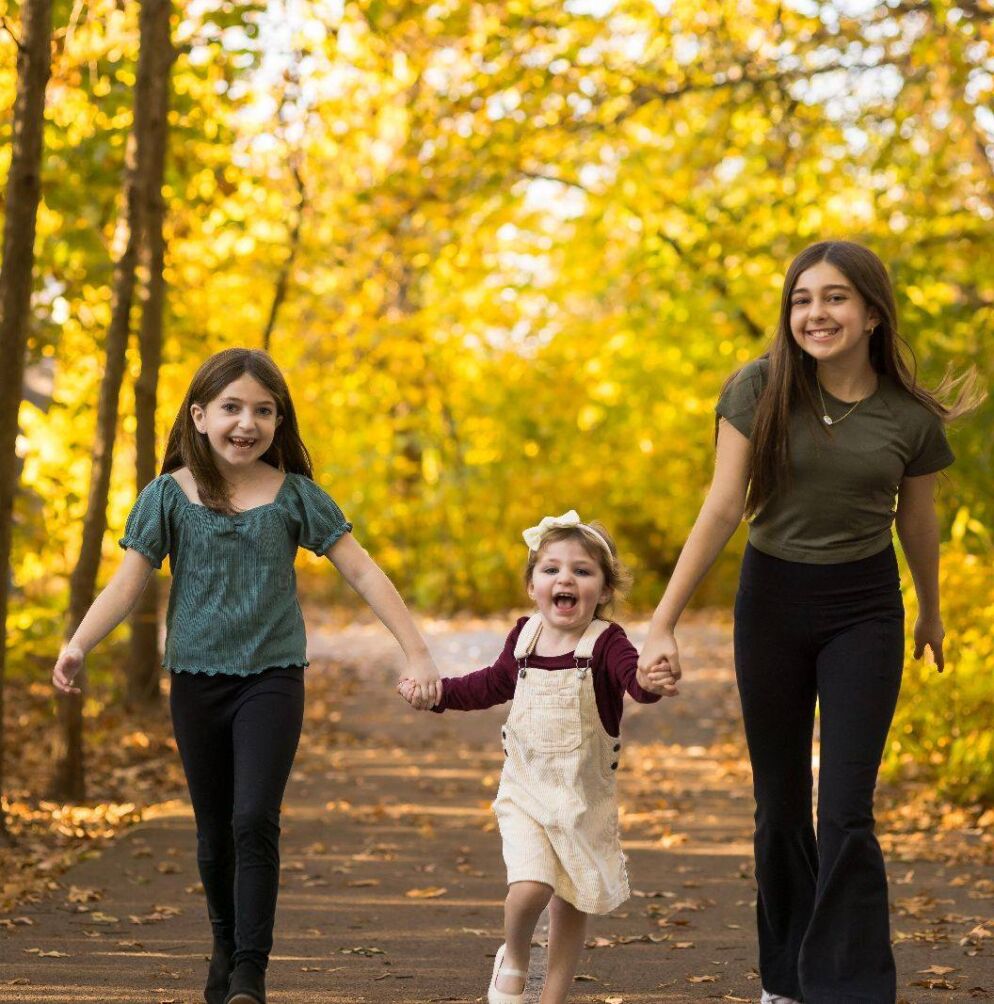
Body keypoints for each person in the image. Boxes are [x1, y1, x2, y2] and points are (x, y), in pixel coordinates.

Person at [639, 240, 983, 1004]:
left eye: (834, 298)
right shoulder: (756, 389)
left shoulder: (907, 416)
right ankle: (787, 980)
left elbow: (917, 524)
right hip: (772, 603)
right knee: (782, 805)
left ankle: (851, 987)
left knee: (848, 809)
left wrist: (929, 610)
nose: (815, 313)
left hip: (864, 608)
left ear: (870, 314)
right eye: (802, 299)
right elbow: (723, 505)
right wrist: (662, 623)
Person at [52, 348, 441, 1004]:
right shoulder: (166, 496)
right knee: (212, 831)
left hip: (272, 677)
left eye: (263, 410)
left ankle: (250, 973)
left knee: (254, 816)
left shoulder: (295, 495)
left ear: (278, 420)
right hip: (197, 681)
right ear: (199, 417)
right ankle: (225, 945)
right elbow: (127, 584)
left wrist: (418, 652)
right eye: (231, 407)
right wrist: (78, 644)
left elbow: (363, 570)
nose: (247, 422)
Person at [399, 511, 677, 1004]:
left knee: (574, 899)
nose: (565, 579)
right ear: (533, 585)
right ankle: (514, 957)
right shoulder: (524, 637)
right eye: (551, 569)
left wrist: (651, 683)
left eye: (583, 570)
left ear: (605, 590)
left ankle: (552, 997)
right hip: (526, 791)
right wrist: (437, 693)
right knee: (529, 888)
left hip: (582, 801)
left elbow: (634, 679)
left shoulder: (607, 643)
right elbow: (488, 684)